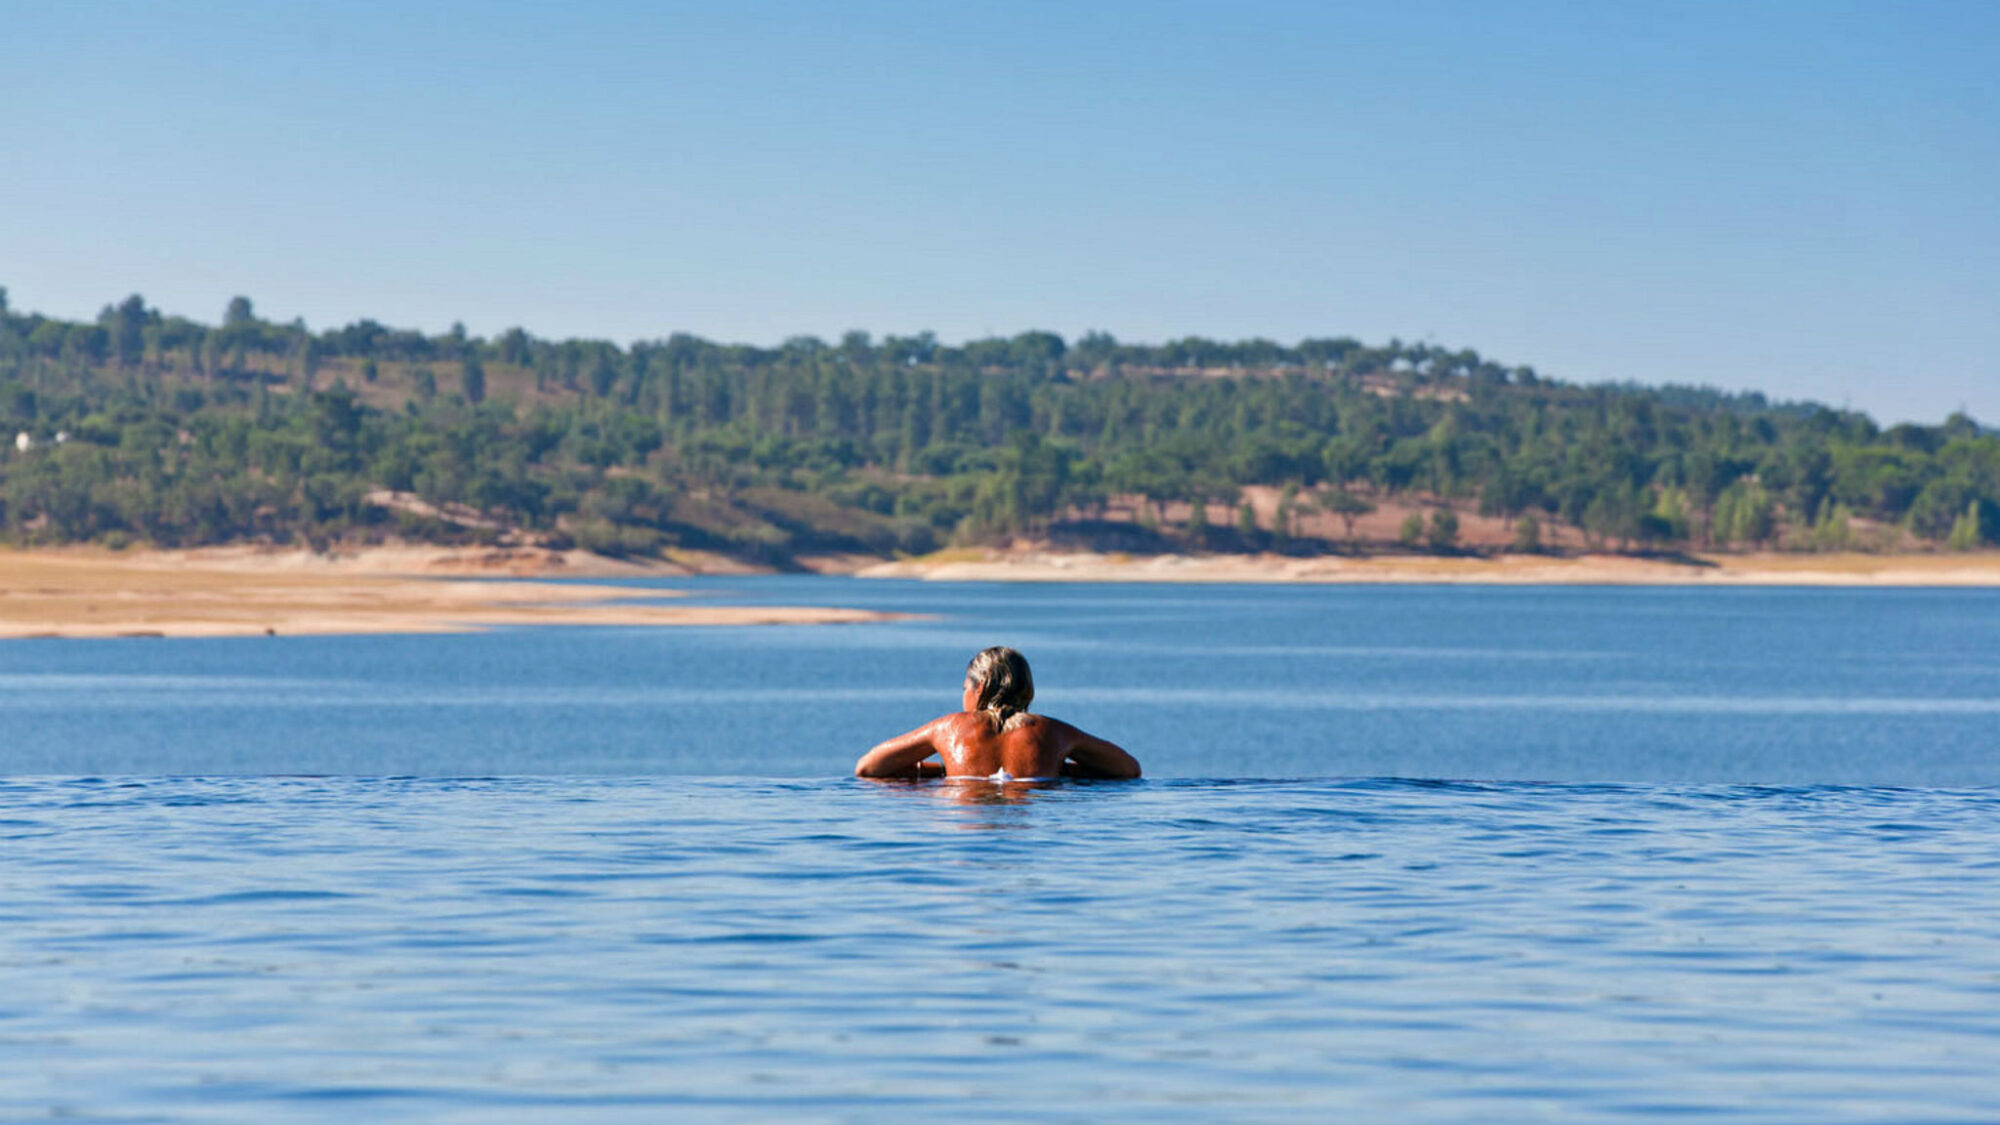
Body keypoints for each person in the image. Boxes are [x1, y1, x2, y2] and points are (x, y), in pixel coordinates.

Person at [854, 647, 1141, 781]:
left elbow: (868, 767)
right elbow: (1128, 769)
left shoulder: (949, 728)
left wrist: (947, 770)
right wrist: (1060, 768)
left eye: (965, 686)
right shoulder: (1053, 731)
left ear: (979, 688)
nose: (963, 693)